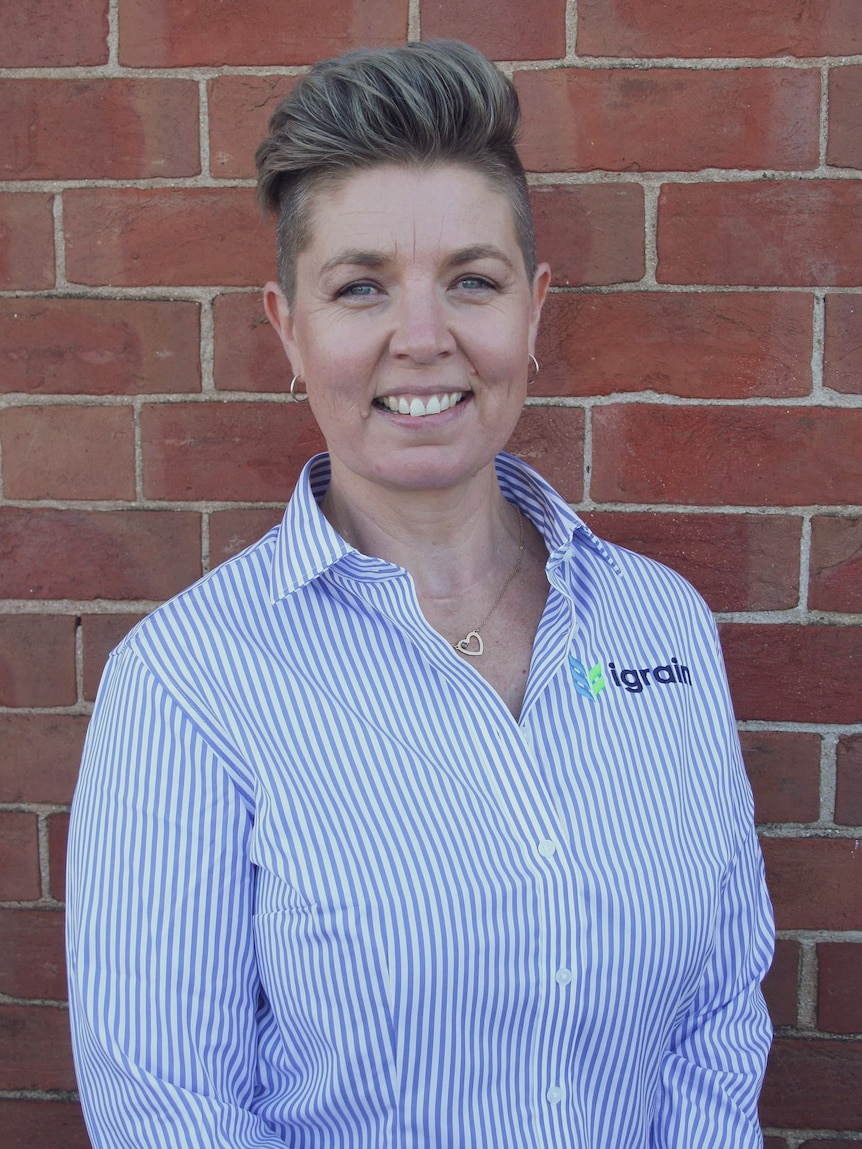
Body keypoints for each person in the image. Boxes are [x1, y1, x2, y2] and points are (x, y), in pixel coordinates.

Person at [66, 40, 774, 1148]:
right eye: (359, 288)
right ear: (286, 330)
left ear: (534, 313)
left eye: (472, 281)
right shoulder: (188, 684)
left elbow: (716, 1015)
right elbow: (170, 1109)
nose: (424, 339)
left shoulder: (661, 625)